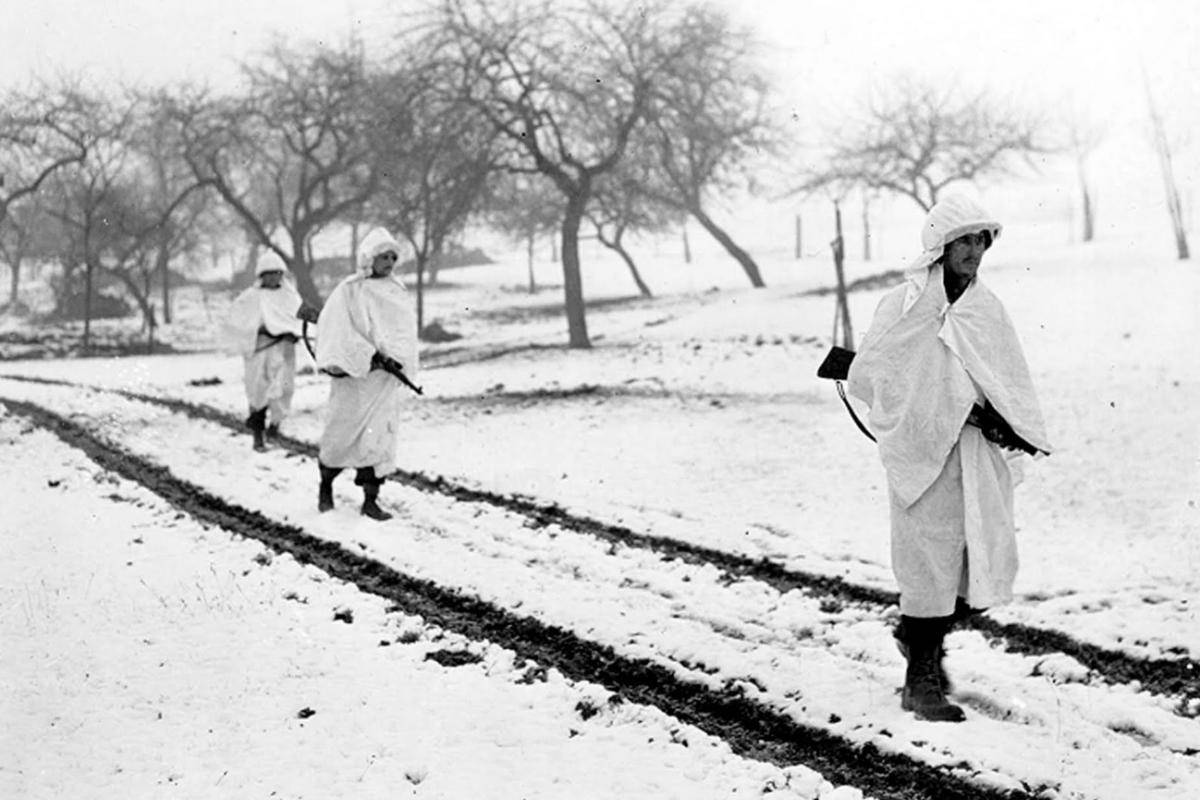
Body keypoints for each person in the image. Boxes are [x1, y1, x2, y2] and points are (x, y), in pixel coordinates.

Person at [846, 194, 1051, 722]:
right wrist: (935, 413)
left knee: (975, 561)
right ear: (940, 245)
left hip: (977, 454)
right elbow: (874, 376)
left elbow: (1007, 377)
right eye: (963, 240)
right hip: (922, 454)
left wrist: (1006, 422)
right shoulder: (903, 306)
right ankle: (921, 682)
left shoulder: (986, 309)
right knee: (928, 565)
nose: (974, 251)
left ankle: (918, 644)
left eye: (981, 240)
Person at [313, 227, 420, 521]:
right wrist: (367, 357)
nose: (388, 262)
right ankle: (326, 486)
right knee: (342, 436)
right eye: (382, 256)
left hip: (385, 383)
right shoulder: (349, 290)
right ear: (368, 258)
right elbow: (336, 330)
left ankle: (370, 501)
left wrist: (399, 361)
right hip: (355, 382)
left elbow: (403, 334)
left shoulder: (397, 291)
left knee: (378, 441)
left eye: (392, 257)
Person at [221, 254, 303, 451]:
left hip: (284, 350)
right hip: (259, 350)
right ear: (261, 275)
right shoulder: (250, 298)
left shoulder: (290, 297)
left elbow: (299, 322)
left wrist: (293, 333)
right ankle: (257, 434)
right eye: (269, 274)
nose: (274, 278)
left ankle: (274, 428)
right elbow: (237, 324)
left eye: (277, 273)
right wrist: (259, 330)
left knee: (284, 388)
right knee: (259, 391)